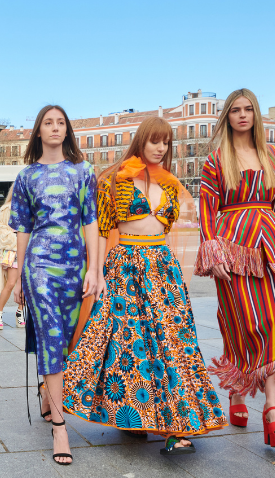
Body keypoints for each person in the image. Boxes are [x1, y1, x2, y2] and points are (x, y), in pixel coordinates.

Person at [63, 116, 227, 456]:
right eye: (155, 141)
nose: (161, 147)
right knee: (128, 344)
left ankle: (174, 425)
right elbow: (103, 231)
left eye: (166, 142)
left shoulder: (170, 184)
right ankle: (134, 416)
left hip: (162, 268)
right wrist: (97, 274)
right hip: (125, 266)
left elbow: (170, 231)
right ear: (141, 141)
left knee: (172, 342)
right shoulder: (114, 180)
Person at [11, 105, 99, 466]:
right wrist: (17, 275)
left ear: (67, 130)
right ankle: (60, 426)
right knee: (49, 333)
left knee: (67, 337)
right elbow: (22, 227)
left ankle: (49, 394)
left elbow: (91, 220)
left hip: (76, 265)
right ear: (38, 131)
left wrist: (96, 268)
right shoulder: (27, 176)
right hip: (40, 265)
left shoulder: (83, 171)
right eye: (48, 122)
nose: (55, 127)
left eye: (61, 122)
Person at [195, 88, 275, 445]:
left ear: (256, 115)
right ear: (227, 117)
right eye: (235, 110)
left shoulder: (271, 155)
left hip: (269, 245)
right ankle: (238, 390)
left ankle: (271, 406)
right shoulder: (216, 160)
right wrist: (213, 255)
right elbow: (206, 211)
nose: (243, 115)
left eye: (249, 110)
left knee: (270, 320)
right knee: (239, 321)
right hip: (232, 248)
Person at [0, 184, 25, 330]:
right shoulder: (7, 208)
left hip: (28, 250)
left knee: (25, 285)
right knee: (11, 283)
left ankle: (20, 312)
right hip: (13, 250)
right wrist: (16, 237)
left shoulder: (31, 207)